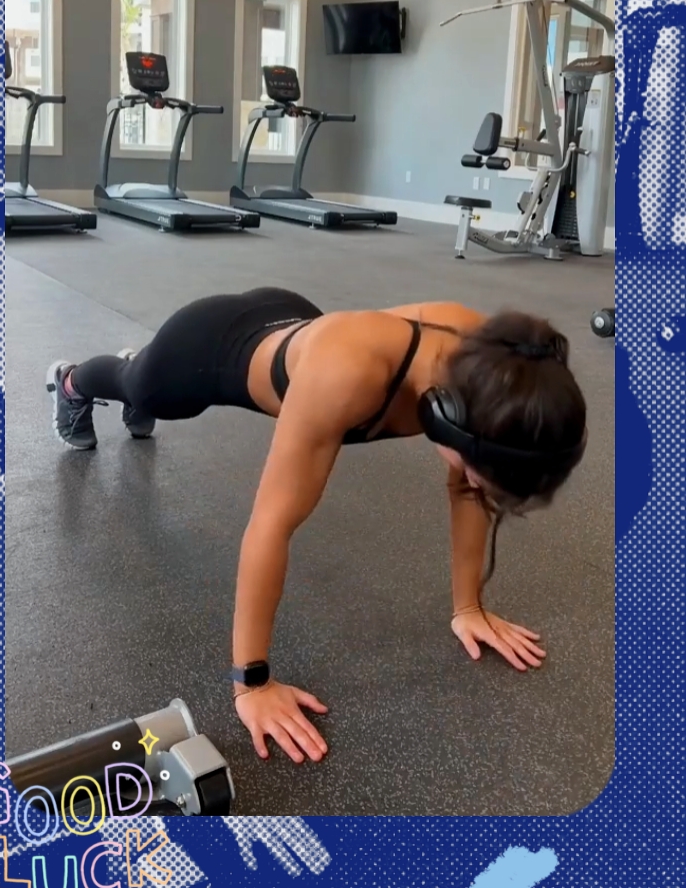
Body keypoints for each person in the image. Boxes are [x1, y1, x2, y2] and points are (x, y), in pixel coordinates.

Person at [46, 287, 587, 765]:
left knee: (155, 388)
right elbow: (269, 526)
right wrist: (251, 684)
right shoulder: (346, 376)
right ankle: (73, 381)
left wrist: (469, 608)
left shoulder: (498, 371)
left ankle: (139, 375)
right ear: (450, 418)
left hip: (298, 324)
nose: (474, 484)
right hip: (210, 347)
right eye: (475, 471)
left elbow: (469, 486)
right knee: (141, 387)